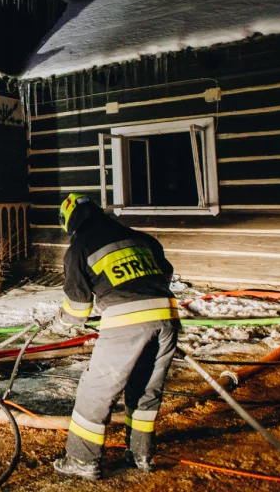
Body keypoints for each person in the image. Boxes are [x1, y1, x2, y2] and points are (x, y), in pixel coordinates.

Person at [51, 193, 179, 481]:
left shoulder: (79, 247)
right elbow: (164, 273)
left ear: (69, 221)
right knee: (146, 388)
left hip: (127, 325)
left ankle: (83, 460)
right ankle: (141, 454)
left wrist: (61, 323)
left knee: (96, 390)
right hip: (167, 317)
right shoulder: (139, 237)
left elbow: (78, 308)